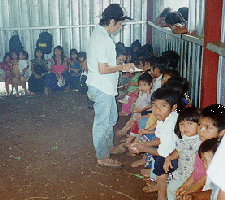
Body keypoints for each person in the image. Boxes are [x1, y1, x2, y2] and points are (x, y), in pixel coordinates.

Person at [86, 3, 134, 168]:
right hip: (102, 87)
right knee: (102, 122)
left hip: (105, 86)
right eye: (119, 24)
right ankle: (102, 156)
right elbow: (103, 68)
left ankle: (107, 147)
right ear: (112, 21)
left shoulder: (99, 34)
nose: (119, 28)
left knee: (111, 118)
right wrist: (123, 67)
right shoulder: (103, 39)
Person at [129, 88, 180, 199]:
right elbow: (160, 138)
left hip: (180, 155)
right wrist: (145, 145)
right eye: (154, 105)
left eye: (163, 106)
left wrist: (142, 148)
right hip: (171, 150)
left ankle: (162, 195)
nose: (157, 110)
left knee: (160, 163)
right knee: (155, 151)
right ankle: (159, 184)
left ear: (173, 107)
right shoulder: (164, 117)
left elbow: (163, 152)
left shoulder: (171, 121)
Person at [176, 104, 225, 200]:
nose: (201, 130)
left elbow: (204, 178)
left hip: (205, 188)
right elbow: (197, 169)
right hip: (197, 185)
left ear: (222, 132)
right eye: (200, 125)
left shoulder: (215, 152)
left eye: (208, 128)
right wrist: (186, 185)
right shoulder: (203, 143)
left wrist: (190, 193)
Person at [110, 72, 152, 154]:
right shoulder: (142, 93)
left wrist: (141, 110)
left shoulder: (150, 95)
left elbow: (150, 105)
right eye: (140, 85)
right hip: (137, 114)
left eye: (144, 85)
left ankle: (130, 147)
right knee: (133, 129)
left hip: (141, 116)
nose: (141, 87)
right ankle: (128, 143)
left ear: (150, 85)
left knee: (136, 132)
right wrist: (136, 97)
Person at [164, 107, 202, 200]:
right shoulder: (183, 138)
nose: (185, 127)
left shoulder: (200, 141)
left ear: (199, 125)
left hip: (194, 179)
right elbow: (177, 151)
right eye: (182, 124)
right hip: (182, 174)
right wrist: (169, 158)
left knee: (185, 196)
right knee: (171, 188)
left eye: (190, 123)